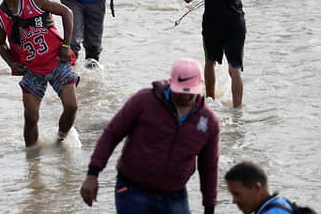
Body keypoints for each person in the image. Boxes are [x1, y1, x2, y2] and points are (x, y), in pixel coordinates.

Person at [80, 58, 220, 214]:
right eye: (180, 93)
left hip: (175, 195)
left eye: (190, 94)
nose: (185, 98)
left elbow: (209, 167)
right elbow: (112, 135)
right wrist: (93, 174)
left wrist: (210, 207)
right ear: (171, 83)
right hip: (133, 190)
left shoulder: (208, 121)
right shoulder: (144, 101)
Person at [0, 0, 78, 147]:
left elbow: (66, 13)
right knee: (31, 117)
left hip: (56, 61)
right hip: (31, 69)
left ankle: (60, 139)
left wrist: (66, 45)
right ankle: (32, 161)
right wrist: (11, 63)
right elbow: (1, 44)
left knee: (71, 106)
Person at [225, 161, 304, 214]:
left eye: (237, 194)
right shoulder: (281, 202)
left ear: (257, 188)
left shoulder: (274, 212)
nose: (234, 201)